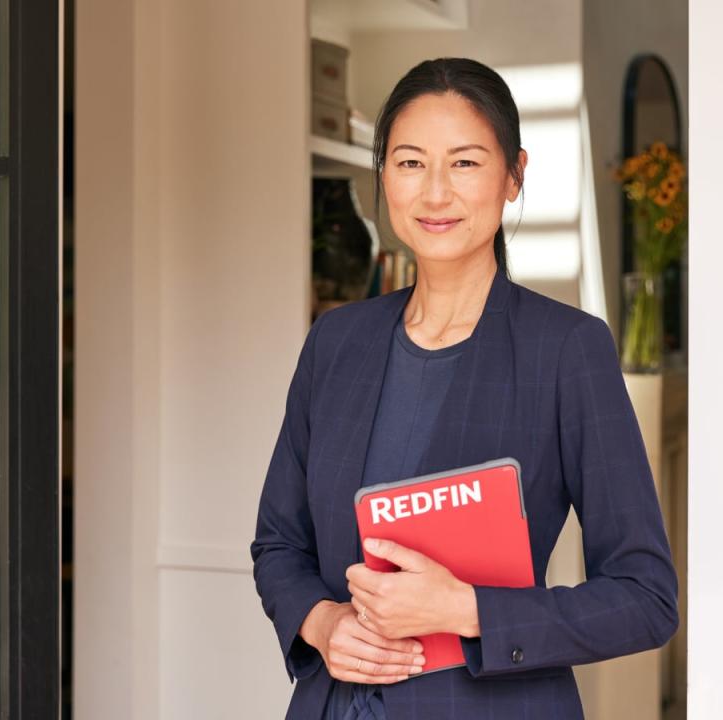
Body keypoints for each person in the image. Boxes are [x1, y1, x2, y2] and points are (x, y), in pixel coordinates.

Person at [250, 57, 679, 720]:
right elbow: (279, 542)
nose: (435, 193)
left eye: (467, 163)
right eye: (411, 162)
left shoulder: (566, 349)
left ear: (514, 175)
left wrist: (468, 610)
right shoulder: (336, 343)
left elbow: (645, 598)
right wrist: (322, 622)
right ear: (384, 175)